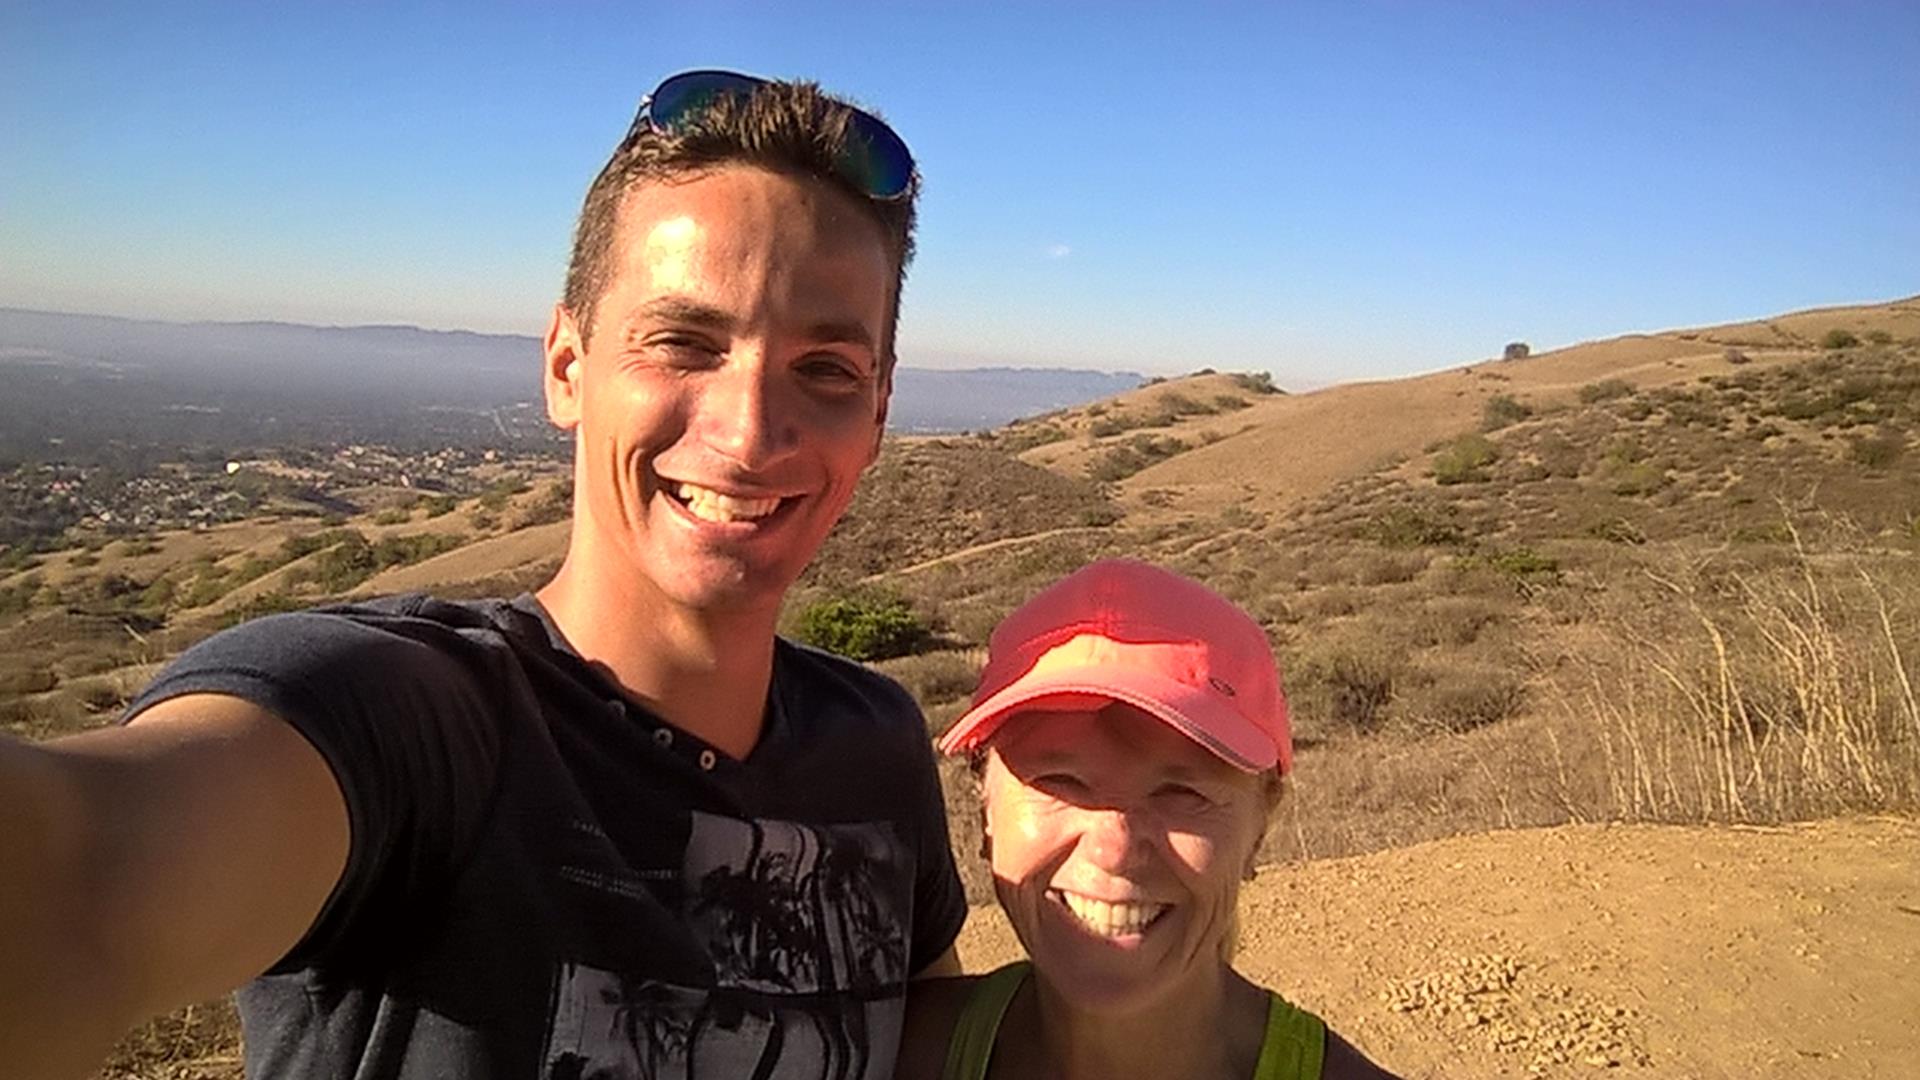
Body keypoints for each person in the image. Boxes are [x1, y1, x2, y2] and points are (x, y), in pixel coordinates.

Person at [0, 70, 965, 1080]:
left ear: (879, 416)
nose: (752, 428)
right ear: (566, 367)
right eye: (684, 342)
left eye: (826, 371)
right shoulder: (409, 723)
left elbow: (944, 1042)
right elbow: (75, 879)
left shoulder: (876, 747)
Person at [895, 560, 1402, 1080]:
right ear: (985, 811)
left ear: (1260, 826)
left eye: (1180, 792)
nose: (1114, 847)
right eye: (1058, 783)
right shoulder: (889, 1054)